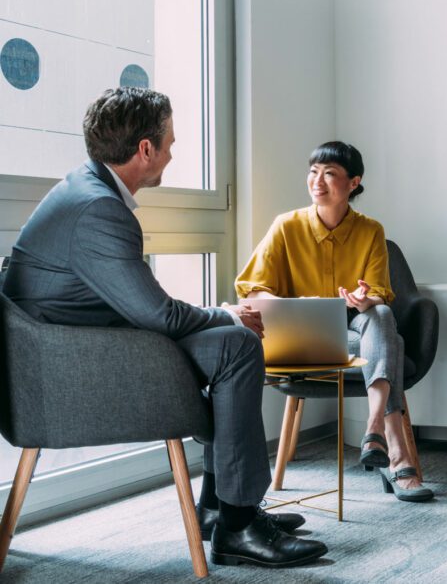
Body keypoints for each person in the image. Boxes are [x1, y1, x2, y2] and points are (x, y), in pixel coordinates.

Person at [1, 87, 328, 568]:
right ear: (145, 149)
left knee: (232, 343)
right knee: (236, 343)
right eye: (170, 142)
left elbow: (142, 306)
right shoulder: (99, 209)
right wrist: (227, 313)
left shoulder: (84, 189)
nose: (173, 152)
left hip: (75, 349)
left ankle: (222, 509)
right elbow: (158, 315)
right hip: (70, 370)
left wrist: (221, 318)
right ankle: (237, 524)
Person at [235, 141, 433, 502]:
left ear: (354, 182)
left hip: (357, 327)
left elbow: (380, 293)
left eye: (330, 173)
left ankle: (373, 426)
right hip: (306, 336)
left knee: (383, 315)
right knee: (393, 345)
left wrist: (363, 299)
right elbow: (251, 290)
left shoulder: (370, 230)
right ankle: (395, 450)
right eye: (313, 172)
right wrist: (293, 305)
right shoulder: (285, 227)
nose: (318, 181)